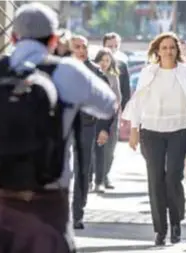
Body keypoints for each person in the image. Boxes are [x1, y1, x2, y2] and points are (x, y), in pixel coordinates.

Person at [0, 3, 117, 253]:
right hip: (49, 196)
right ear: (55, 39)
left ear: (13, 37)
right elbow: (109, 106)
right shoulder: (68, 71)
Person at [122, 32, 186, 246]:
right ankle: (160, 229)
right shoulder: (148, 72)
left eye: (172, 47)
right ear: (157, 51)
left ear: (177, 50)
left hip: (180, 128)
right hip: (151, 130)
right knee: (155, 179)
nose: (168, 51)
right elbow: (138, 100)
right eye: (164, 47)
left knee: (173, 177)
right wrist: (134, 129)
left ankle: (176, 222)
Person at [70, 34, 113, 229]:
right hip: (61, 126)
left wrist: (104, 128)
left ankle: (77, 213)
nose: (81, 50)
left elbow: (108, 102)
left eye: (84, 47)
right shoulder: (60, 69)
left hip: (86, 126)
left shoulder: (96, 72)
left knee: (83, 170)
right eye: (76, 47)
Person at [92, 48, 122, 192]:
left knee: (108, 149)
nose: (104, 63)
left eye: (107, 61)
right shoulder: (92, 74)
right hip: (93, 116)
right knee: (94, 148)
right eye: (102, 60)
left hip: (110, 116)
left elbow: (118, 97)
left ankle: (104, 176)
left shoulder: (113, 77)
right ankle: (96, 178)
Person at [103, 32, 130, 112]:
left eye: (116, 46)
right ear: (104, 46)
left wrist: (124, 111)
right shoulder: (96, 64)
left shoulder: (122, 65)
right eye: (110, 46)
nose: (113, 49)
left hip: (116, 110)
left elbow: (125, 91)